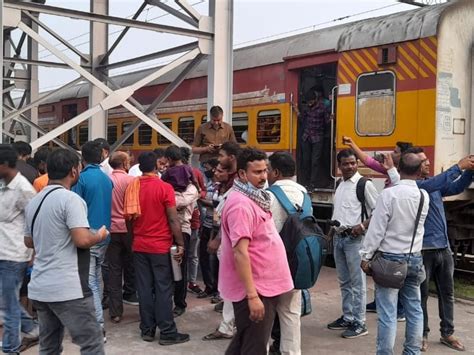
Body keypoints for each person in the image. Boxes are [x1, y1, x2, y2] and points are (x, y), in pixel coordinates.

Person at [24, 148, 108, 355]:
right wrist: (100, 235)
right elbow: (82, 240)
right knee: (92, 343)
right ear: (73, 171)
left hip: (41, 287)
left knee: (49, 347)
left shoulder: (34, 201)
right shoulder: (70, 200)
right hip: (68, 288)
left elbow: (28, 241)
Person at [219, 147, 293, 354]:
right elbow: (240, 252)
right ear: (242, 174)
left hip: (265, 284)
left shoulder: (256, 198)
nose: (264, 176)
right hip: (256, 288)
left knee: (246, 339)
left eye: (265, 170)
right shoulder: (241, 205)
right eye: (257, 172)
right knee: (256, 346)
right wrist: (252, 296)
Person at [360, 152, 430, 355]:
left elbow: (377, 228)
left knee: (388, 313)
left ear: (398, 170)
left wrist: (366, 255)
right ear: (419, 172)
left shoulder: (389, 194)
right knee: (414, 309)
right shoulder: (423, 196)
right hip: (415, 259)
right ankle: (412, 351)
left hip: (390, 260)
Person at [123, 151, 189, 345]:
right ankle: (167, 331)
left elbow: (128, 220)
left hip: (139, 245)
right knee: (163, 288)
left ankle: (148, 329)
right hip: (159, 246)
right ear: (157, 166)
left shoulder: (132, 188)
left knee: (144, 288)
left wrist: (133, 240)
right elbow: (172, 218)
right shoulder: (164, 188)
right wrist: (180, 243)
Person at [413, 149, 474, 352]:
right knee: (421, 295)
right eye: (423, 161)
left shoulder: (434, 185)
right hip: (423, 250)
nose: (428, 163)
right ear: (412, 165)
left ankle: (447, 333)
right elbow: (435, 184)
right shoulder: (416, 186)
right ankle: (421, 334)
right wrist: (459, 166)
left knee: (447, 293)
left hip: (443, 248)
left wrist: (470, 172)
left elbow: (456, 187)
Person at [343, 137, 411, 317]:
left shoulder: (404, 179)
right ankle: (379, 300)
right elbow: (368, 161)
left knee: (396, 266)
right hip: (388, 222)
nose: (391, 153)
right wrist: (352, 144)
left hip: (397, 226)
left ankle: (400, 309)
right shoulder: (389, 171)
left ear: (404, 157)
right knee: (382, 262)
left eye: (396, 151)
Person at [327, 149, 378, 338]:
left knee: (358, 283)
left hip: (355, 240)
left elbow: (379, 211)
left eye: (353, 163)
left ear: (357, 163)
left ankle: (360, 322)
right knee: (344, 281)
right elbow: (338, 211)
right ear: (338, 166)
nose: (350, 166)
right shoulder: (339, 184)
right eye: (345, 164)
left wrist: (362, 226)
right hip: (340, 238)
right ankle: (348, 317)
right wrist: (331, 233)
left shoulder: (364, 184)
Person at [72, 140, 113, 341]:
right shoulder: (107, 178)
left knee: (90, 284)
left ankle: (97, 328)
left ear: (83, 158)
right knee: (96, 278)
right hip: (105, 233)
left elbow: (74, 207)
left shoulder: (81, 180)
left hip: (89, 235)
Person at [267, 151, 307, 355]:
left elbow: (266, 231)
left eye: (267, 169)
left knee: (265, 313)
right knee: (291, 312)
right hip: (297, 261)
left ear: (275, 171)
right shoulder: (304, 192)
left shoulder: (269, 195)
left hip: (272, 262)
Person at [0, 144, 38, 355]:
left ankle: (10, 348)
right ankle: (32, 329)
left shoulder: (24, 189)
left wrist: (33, 253)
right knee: (6, 300)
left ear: (5, 165)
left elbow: (34, 223)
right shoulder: (2, 184)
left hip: (14, 255)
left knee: (7, 305)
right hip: (1, 250)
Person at [163, 146, 199, 317]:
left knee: (179, 267)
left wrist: (167, 198)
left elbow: (178, 203)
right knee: (167, 267)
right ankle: (167, 299)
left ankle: (180, 302)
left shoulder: (191, 190)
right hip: (165, 228)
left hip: (183, 229)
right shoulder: (171, 185)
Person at [106, 151, 137, 324]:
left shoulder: (107, 180)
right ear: (125, 164)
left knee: (114, 270)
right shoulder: (131, 181)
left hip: (111, 229)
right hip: (129, 228)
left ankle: (115, 311)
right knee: (133, 264)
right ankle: (133, 295)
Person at [179, 147, 207, 296]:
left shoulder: (195, 173)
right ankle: (191, 281)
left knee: (183, 254)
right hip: (193, 219)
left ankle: (186, 281)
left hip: (184, 221)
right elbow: (203, 191)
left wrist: (194, 196)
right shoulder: (195, 172)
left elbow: (203, 191)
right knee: (192, 254)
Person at [296, 89, 330, 190]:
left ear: (315, 99)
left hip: (318, 137)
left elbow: (327, 121)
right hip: (306, 137)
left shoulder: (323, 108)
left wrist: (332, 118)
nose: (309, 104)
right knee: (306, 160)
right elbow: (303, 119)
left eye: (311, 102)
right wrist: (297, 112)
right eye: (308, 102)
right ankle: (305, 181)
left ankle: (312, 183)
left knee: (315, 161)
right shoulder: (306, 108)